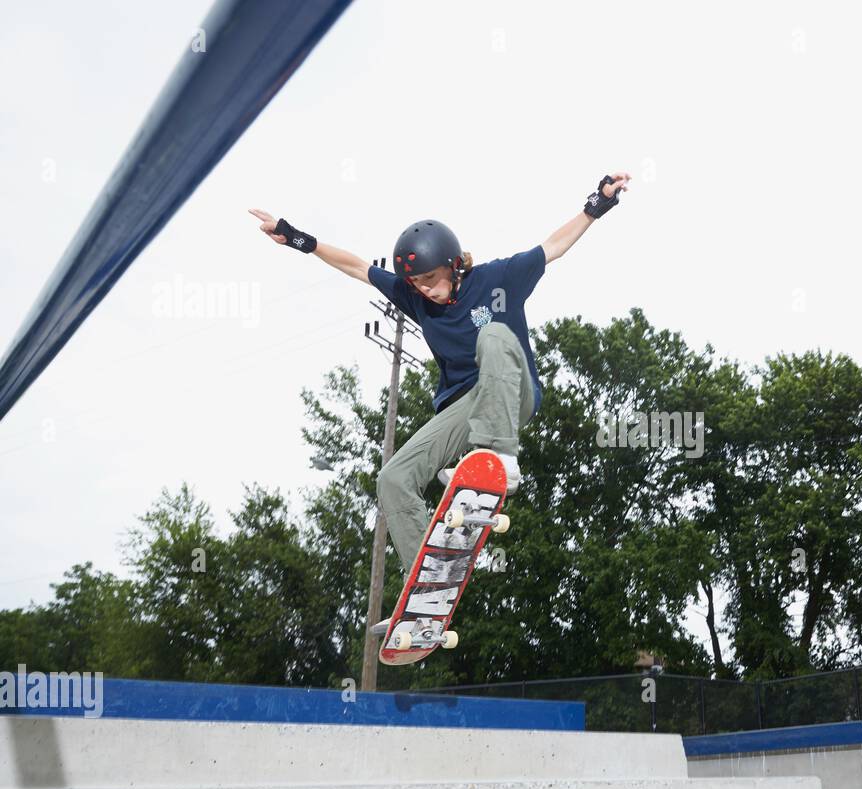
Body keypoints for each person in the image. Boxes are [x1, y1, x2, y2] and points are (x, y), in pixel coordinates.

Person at [250, 171, 629, 618]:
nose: (425, 289)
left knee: (493, 338)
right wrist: (298, 239)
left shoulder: (499, 278)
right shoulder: (416, 298)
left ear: (453, 265)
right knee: (392, 479)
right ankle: (429, 589)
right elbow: (356, 267)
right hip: (467, 408)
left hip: (514, 394)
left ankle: (501, 459)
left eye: (431, 278)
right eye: (416, 284)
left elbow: (555, 245)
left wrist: (597, 204)